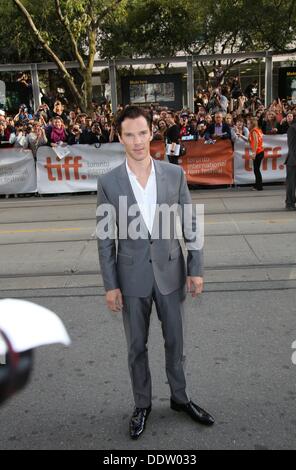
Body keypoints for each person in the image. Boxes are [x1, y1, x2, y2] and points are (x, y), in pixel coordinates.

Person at [96, 106, 214, 441]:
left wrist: (196, 269)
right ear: (120, 138)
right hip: (131, 279)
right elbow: (105, 239)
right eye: (129, 135)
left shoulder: (173, 174)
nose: (137, 141)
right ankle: (142, 404)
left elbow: (191, 223)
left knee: (175, 341)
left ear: (152, 133)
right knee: (136, 347)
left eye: (142, 133)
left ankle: (180, 398)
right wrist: (111, 286)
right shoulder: (108, 182)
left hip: (171, 273)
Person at [285, 113, 296, 211]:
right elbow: (292, 146)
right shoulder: (293, 128)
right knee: (291, 182)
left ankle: (290, 202)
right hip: (294, 160)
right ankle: (290, 203)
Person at [248, 117, 265, 191]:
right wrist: (242, 136)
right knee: (256, 169)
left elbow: (255, 142)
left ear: (252, 124)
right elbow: (251, 141)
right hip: (261, 151)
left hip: (258, 152)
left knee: (256, 170)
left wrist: (254, 153)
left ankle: (259, 186)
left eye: (248, 123)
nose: (248, 125)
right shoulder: (259, 130)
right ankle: (258, 184)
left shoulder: (254, 131)